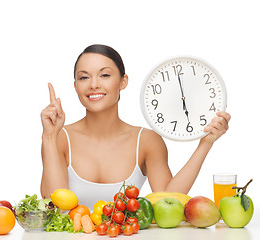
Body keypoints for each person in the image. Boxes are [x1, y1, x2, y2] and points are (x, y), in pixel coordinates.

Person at [40, 44, 231, 208]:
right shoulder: (59, 137)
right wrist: (48, 137)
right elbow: (53, 205)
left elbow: (168, 200)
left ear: (123, 82)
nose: (94, 84)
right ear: (75, 87)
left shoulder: (147, 141)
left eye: (105, 75)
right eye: (84, 77)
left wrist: (205, 143)